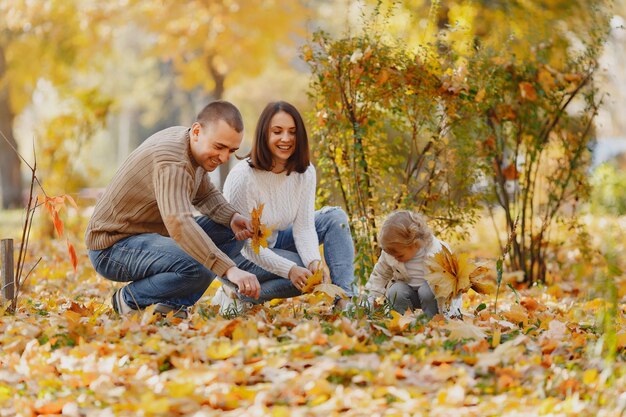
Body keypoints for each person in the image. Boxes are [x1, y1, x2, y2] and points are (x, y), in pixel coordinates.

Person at [85, 100, 260, 319]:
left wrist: (232, 217)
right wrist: (229, 269)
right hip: (112, 246)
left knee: (231, 232)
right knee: (200, 265)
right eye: (219, 147)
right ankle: (130, 299)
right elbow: (179, 224)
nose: (224, 158)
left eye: (231, 150)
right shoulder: (172, 161)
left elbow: (204, 194)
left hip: (148, 237)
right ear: (197, 131)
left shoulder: (188, 143)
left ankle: (171, 305)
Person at [213, 100, 355, 314]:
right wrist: (290, 270)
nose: (286, 139)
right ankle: (239, 291)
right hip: (237, 258)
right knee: (302, 272)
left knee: (334, 218)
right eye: (277, 131)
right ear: (264, 135)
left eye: (292, 132)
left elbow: (304, 228)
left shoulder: (305, 173)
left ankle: (344, 300)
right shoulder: (243, 177)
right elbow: (247, 246)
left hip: (274, 241)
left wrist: (314, 262)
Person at [364, 210, 448, 318]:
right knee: (395, 291)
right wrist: (369, 300)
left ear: (415, 244)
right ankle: (402, 320)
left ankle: (433, 320)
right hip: (409, 294)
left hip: (433, 296)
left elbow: (452, 281)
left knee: (426, 291)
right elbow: (379, 275)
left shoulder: (437, 251)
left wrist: (452, 311)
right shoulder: (392, 253)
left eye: (399, 256)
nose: (396, 259)